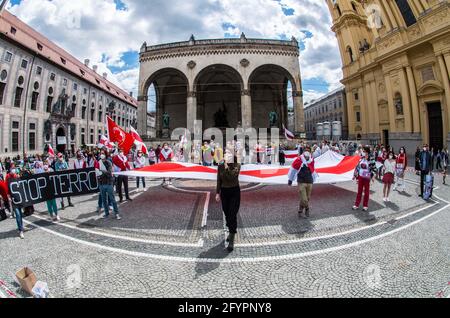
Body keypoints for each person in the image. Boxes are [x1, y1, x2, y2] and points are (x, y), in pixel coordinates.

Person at [215, 149, 241, 252]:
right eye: (225, 153)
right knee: (226, 213)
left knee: (232, 214)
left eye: (228, 153)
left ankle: (232, 237)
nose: (226, 155)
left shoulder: (237, 165)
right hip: (224, 192)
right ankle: (231, 231)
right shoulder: (220, 165)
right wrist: (217, 192)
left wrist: (225, 165)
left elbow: (231, 176)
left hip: (234, 191)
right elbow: (218, 180)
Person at [288, 146, 316, 218]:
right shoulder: (299, 159)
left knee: (307, 198)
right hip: (301, 181)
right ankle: (307, 209)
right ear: (303, 152)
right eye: (305, 150)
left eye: (308, 150)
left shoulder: (312, 160)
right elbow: (293, 169)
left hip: (309, 181)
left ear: (310, 152)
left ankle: (300, 210)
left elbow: (313, 170)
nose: (307, 151)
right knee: (304, 199)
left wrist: (314, 178)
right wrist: (290, 179)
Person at [97, 151, 121, 220]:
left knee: (112, 199)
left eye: (103, 153)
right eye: (100, 153)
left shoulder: (108, 162)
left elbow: (109, 173)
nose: (101, 155)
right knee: (104, 200)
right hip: (101, 184)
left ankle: (116, 213)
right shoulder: (99, 163)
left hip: (108, 184)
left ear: (105, 154)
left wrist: (102, 172)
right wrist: (101, 173)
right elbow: (97, 173)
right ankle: (106, 214)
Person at [352, 147, 377, 211]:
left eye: (364, 151)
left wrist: (373, 176)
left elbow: (374, 168)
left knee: (366, 192)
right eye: (362, 151)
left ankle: (365, 205)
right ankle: (356, 204)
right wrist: (354, 175)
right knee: (359, 191)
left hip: (367, 177)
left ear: (367, 151)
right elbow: (357, 167)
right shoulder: (361, 158)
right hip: (360, 177)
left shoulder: (371, 158)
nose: (362, 152)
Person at [6, 169, 24, 238]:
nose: (14, 174)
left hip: (18, 198)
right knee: (18, 214)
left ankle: (21, 227)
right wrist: (8, 197)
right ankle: (21, 230)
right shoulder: (8, 177)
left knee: (20, 214)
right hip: (13, 199)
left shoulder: (17, 177)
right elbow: (7, 188)